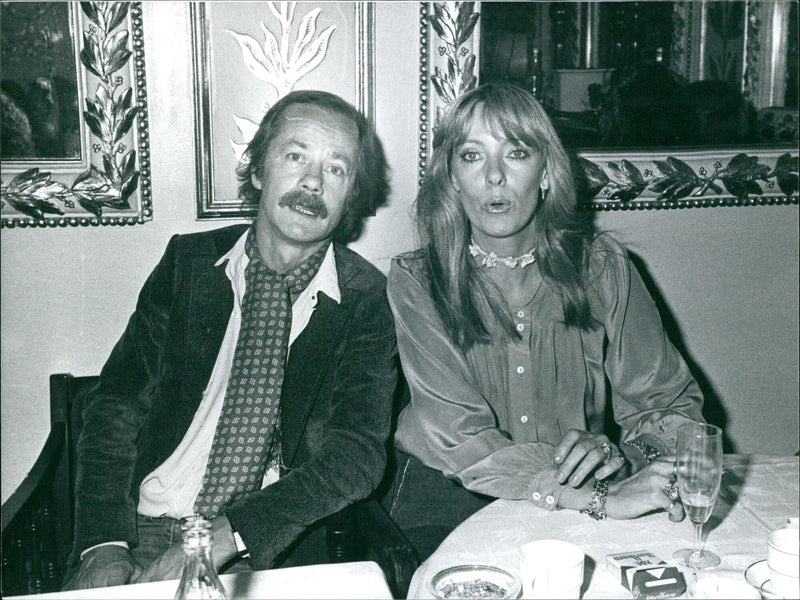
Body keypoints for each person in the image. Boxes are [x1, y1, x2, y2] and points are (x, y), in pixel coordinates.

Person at [64, 90, 397, 590]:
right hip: (142, 529)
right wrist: (104, 546)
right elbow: (115, 406)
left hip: (263, 545)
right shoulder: (188, 267)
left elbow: (356, 454)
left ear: (351, 196)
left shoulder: (366, 301)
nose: (312, 182)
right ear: (259, 171)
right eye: (295, 155)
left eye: (336, 169)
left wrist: (228, 534)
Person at [383, 82, 705, 561]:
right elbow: (460, 436)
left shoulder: (603, 268)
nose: (494, 177)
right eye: (472, 156)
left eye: (515, 153)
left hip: (588, 502)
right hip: (445, 503)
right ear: (451, 178)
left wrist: (626, 458)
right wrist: (594, 498)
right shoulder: (418, 281)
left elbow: (675, 409)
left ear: (548, 172)